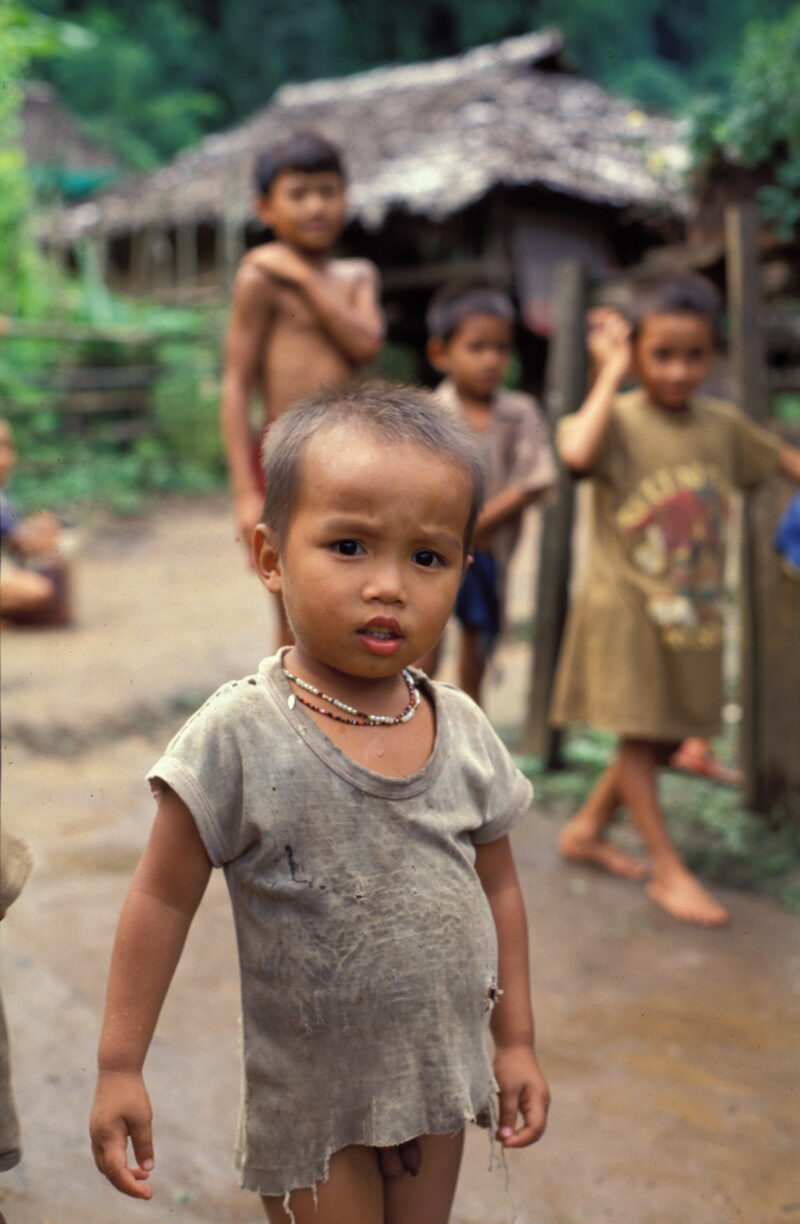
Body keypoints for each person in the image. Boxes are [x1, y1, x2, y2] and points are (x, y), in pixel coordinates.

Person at [89, 381, 550, 1222]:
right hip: (312, 1107)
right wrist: (121, 1065)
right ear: (269, 557)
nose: (389, 586)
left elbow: (501, 891)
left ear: (462, 569)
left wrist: (513, 1042)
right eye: (348, 546)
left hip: (436, 1081)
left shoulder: (464, 728)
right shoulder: (239, 735)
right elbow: (159, 897)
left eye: (427, 557)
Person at [549, 274, 800, 927]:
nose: (679, 371)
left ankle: (586, 829)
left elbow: (778, 459)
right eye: (661, 354)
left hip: (689, 614)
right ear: (636, 353)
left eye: (694, 355)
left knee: (660, 740)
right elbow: (575, 453)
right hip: (624, 609)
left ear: (713, 354)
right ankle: (667, 867)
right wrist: (609, 373)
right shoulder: (618, 421)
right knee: (640, 738)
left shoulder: (720, 427)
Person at [220, 129, 385, 646]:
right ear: (264, 207)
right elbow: (236, 382)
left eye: (327, 191)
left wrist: (305, 277)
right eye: (298, 194)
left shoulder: (357, 275)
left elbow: (364, 345)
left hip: (351, 452)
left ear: (345, 198)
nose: (315, 206)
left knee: (352, 591)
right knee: (290, 607)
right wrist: (246, 493)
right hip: (283, 454)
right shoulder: (259, 281)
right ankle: (287, 722)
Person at [425, 284, 557, 702]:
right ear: (441, 353)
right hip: (430, 549)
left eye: (501, 348)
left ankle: (469, 725)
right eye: (477, 347)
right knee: (424, 633)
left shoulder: (519, 413)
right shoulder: (429, 413)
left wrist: (480, 522)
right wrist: (460, 527)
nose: (491, 360)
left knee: (479, 640)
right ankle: (410, 719)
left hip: (491, 552)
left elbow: (534, 479)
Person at [0, 418, 71, 627]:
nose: (5, 458)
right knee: (39, 589)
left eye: (8, 447)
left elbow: (15, 530)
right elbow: (25, 539)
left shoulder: (4, 494)